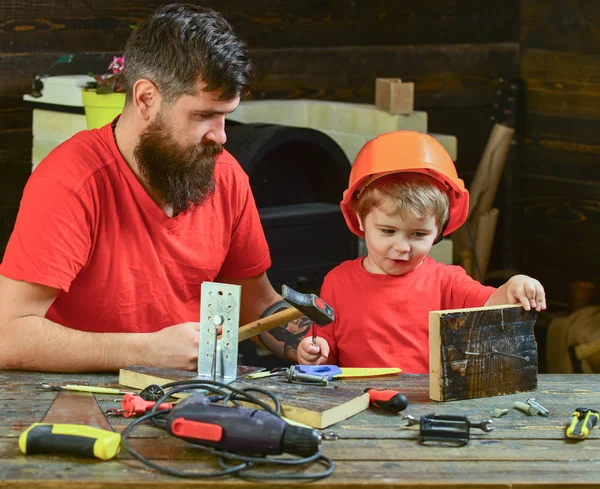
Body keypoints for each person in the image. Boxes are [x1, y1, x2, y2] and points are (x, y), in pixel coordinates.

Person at [0, 4, 307, 372]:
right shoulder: (71, 181)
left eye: (226, 115)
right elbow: (9, 336)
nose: (221, 136)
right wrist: (145, 352)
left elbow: (255, 304)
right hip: (81, 401)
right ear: (146, 99)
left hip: (194, 395)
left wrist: (304, 342)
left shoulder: (225, 175)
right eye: (204, 115)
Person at [297, 131, 546, 373]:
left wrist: (515, 286)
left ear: (438, 231)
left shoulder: (447, 282)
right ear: (361, 221)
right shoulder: (338, 282)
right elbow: (324, 348)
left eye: (418, 234)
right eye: (387, 231)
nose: (402, 247)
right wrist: (313, 352)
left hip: (427, 405)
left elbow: (492, 306)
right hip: (357, 403)